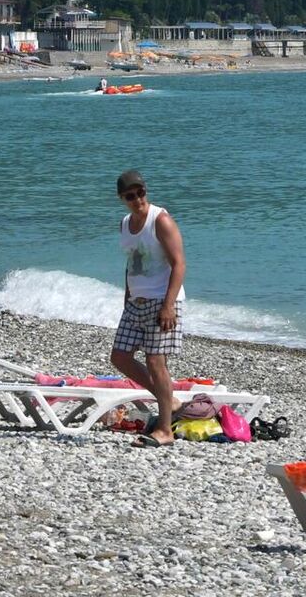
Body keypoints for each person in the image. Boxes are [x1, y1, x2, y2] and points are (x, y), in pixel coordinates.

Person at [110, 169, 186, 446]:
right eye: (131, 196)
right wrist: (127, 297)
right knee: (119, 356)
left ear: (146, 191)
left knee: (156, 362)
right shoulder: (125, 224)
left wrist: (168, 306)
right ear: (122, 198)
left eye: (140, 192)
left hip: (161, 301)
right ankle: (169, 400)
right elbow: (130, 264)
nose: (137, 199)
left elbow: (179, 264)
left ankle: (165, 430)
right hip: (136, 302)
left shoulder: (160, 220)